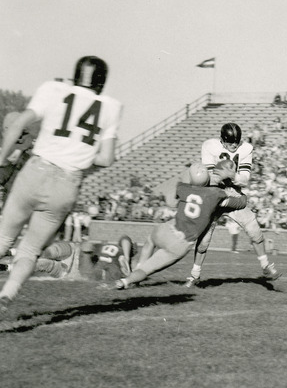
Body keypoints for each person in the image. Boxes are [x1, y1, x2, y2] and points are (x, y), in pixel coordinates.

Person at [0, 56, 122, 315]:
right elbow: (107, 158)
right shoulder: (110, 106)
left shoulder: (53, 89)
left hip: (37, 169)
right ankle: (7, 293)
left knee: (3, 238)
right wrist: (78, 159)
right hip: (67, 183)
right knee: (30, 250)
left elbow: (20, 123)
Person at [115, 162, 248, 289]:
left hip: (165, 230)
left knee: (150, 241)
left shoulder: (183, 188)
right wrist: (237, 190)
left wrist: (196, 172)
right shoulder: (215, 194)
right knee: (149, 269)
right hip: (180, 243)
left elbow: (183, 179)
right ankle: (125, 281)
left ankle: (136, 267)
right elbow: (241, 203)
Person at [184, 123, 281, 287]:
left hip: (233, 192)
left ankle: (266, 266)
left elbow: (244, 179)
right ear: (222, 140)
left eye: (236, 142)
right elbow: (209, 178)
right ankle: (195, 275)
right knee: (204, 241)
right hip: (214, 193)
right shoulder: (209, 146)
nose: (234, 146)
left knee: (254, 229)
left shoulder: (246, 149)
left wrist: (232, 175)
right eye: (230, 143)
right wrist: (222, 176)